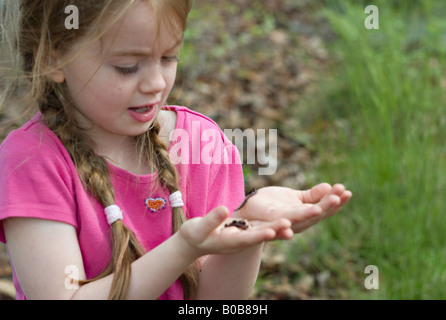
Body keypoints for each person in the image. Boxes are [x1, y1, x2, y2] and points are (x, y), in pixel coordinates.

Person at [0, 0, 352, 300]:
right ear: (54, 58)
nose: (156, 83)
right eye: (127, 67)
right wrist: (183, 248)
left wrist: (249, 229)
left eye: (169, 58)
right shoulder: (31, 161)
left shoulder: (202, 145)